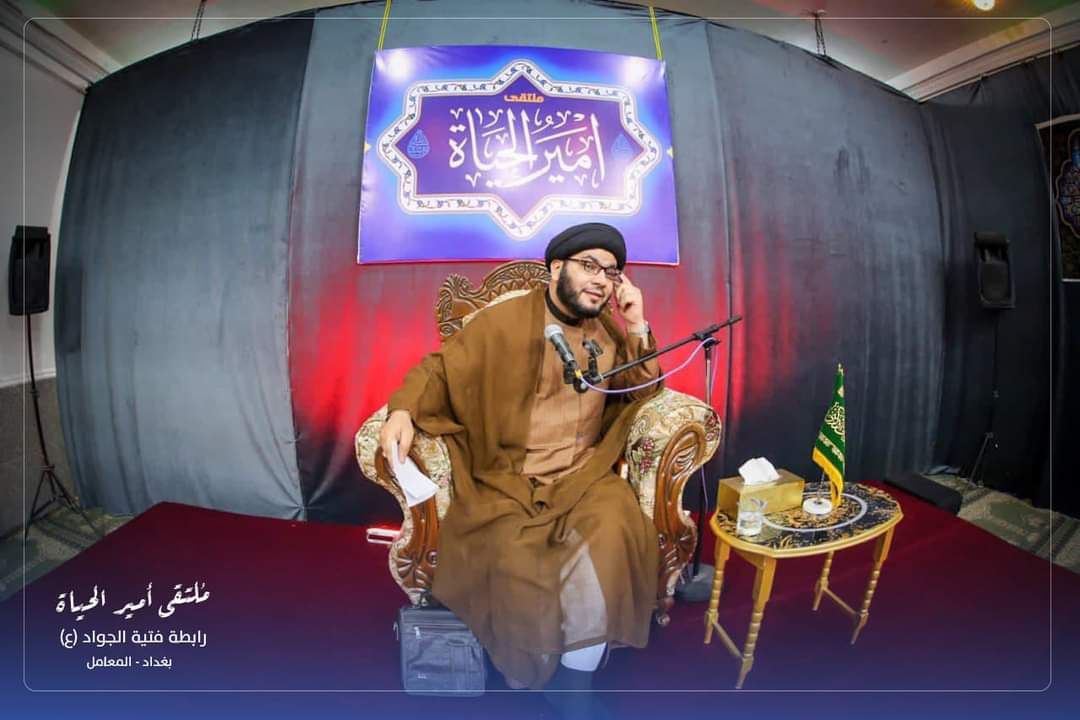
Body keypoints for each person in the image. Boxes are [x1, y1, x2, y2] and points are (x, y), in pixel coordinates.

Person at [378, 222, 662, 718]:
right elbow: (438, 369)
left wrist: (636, 322)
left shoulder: (608, 332)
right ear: (557, 268)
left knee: (614, 533)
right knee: (509, 553)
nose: (601, 280)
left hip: (584, 476)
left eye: (611, 272)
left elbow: (643, 390)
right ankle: (532, 666)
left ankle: (574, 684)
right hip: (509, 478)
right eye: (589, 266)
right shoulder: (503, 322)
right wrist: (401, 410)